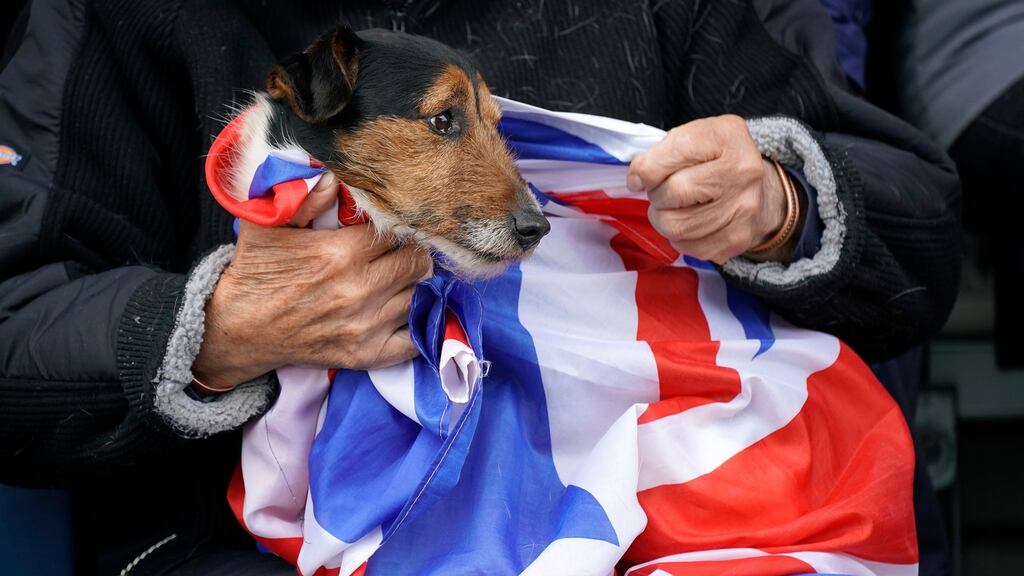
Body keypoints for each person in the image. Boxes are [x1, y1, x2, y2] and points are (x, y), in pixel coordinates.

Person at [0, 0, 959, 574]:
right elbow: (16, 337)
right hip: (238, 547)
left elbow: (917, 231)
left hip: (663, 514)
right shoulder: (118, 18)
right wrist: (214, 329)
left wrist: (782, 198)